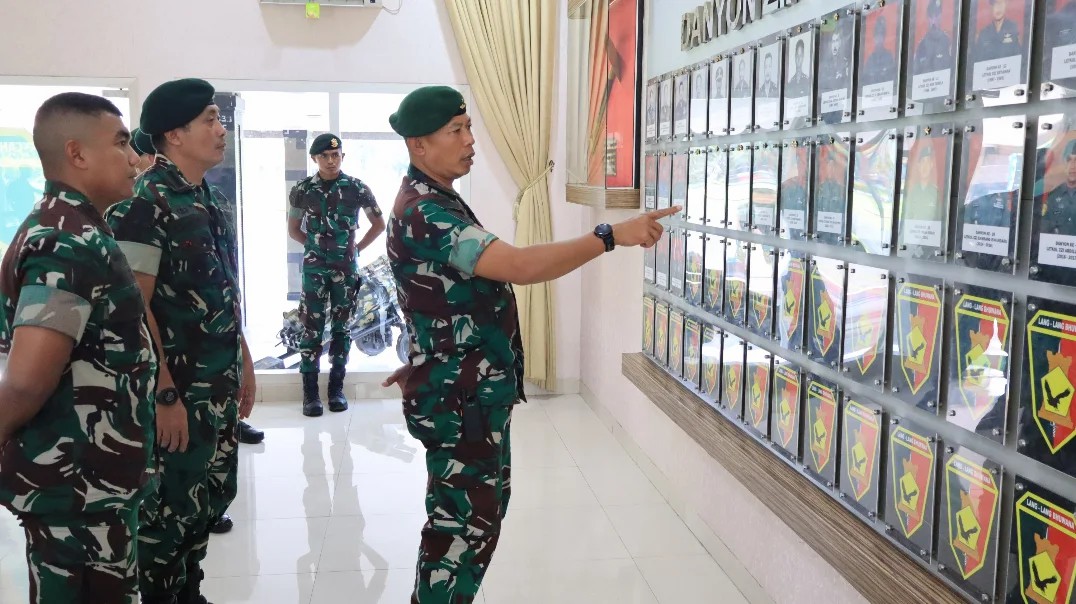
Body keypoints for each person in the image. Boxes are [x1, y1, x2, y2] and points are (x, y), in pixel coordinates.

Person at [381, 85, 679, 603]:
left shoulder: (437, 198)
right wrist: (610, 236)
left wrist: (425, 354)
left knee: (478, 518)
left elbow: (434, 295)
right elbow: (518, 266)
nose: (470, 140)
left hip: (466, 390)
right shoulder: (424, 211)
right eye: (456, 131)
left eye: (469, 127)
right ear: (418, 144)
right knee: (460, 531)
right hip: (460, 398)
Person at [105, 78, 256, 604]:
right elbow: (136, 307)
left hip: (216, 386)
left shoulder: (206, 197)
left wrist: (243, 360)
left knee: (207, 503)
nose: (222, 129)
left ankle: (190, 592)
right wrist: (165, 393)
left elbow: (221, 290)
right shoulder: (146, 203)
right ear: (174, 133)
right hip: (180, 395)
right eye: (210, 120)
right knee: (168, 518)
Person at [0, 92, 155, 603]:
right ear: (77, 153)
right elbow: (27, 380)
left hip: (92, 482)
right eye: (121, 143)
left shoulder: (76, 227)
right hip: (78, 488)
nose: (134, 158)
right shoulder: (66, 241)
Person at [288, 133, 384, 416]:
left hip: (346, 269)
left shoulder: (357, 188)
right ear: (314, 158)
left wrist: (356, 250)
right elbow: (293, 229)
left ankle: (336, 390)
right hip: (314, 270)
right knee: (311, 327)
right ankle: (310, 395)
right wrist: (314, 248)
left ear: (343, 156)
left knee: (342, 328)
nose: (331, 161)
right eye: (325, 156)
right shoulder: (302, 190)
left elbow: (378, 224)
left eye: (336, 155)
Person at [1041, 139, 1076, 237]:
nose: (1073, 166)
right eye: (1069, 160)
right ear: (1064, 164)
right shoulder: (1052, 197)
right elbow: (1044, 233)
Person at [912, 0, 953, 77]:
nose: (934, 21)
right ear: (928, 18)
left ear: (941, 16)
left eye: (936, 15)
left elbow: (953, 72)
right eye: (931, 16)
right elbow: (915, 73)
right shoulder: (921, 46)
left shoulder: (948, 42)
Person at [973, 0, 1020, 64]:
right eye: (995, 4)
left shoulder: (1013, 28)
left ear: (1006, 5)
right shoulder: (984, 34)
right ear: (991, 7)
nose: (998, 8)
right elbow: (978, 61)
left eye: (1001, 4)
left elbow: (1018, 58)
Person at [862, 15, 897, 86]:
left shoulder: (889, 57)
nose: (879, 39)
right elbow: (864, 81)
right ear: (874, 38)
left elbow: (892, 77)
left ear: (884, 38)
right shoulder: (870, 60)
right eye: (877, 36)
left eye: (881, 36)